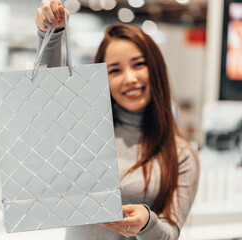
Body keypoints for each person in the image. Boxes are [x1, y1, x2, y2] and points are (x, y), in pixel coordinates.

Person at [35, 0, 200, 239]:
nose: (130, 78)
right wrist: (51, 34)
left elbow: (169, 234)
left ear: (155, 68)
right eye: (115, 70)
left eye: (138, 64)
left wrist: (147, 222)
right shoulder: (85, 134)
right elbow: (49, 96)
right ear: (103, 78)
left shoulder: (181, 155)